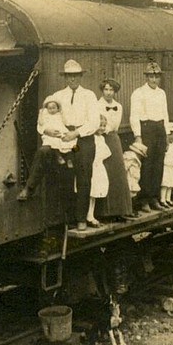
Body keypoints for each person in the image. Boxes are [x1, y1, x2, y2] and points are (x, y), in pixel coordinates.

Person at [49, 59, 101, 226]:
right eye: (69, 76)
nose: (73, 79)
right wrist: (52, 131)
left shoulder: (89, 95)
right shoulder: (58, 96)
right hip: (65, 140)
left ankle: (81, 219)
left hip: (83, 140)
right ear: (65, 77)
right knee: (66, 177)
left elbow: (94, 122)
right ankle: (68, 218)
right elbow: (47, 117)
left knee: (84, 177)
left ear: (80, 76)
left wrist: (76, 133)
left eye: (76, 75)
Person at [129, 61, 170, 212]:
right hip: (147, 129)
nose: (154, 79)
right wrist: (138, 136)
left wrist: (166, 134)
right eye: (151, 76)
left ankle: (154, 198)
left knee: (158, 165)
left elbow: (165, 114)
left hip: (160, 129)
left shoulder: (161, 93)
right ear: (146, 77)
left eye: (157, 76)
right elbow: (134, 116)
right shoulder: (138, 93)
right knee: (147, 165)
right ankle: (144, 200)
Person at [18, 97, 74, 201]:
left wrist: (72, 134)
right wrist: (46, 130)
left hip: (72, 137)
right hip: (53, 138)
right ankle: (29, 187)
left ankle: (69, 158)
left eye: (54, 108)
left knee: (76, 148)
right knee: (43, 151)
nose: (51, 109)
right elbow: (40, 126)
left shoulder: (87, 97)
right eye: (50, 108)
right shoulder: (54, 102)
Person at [95, 78, 136, 220]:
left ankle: (120, 210)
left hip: (113, 139)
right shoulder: (97, 105)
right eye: (106, 89)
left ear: (115, 91)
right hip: (101, 139)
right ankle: (105, 213)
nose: (108, 92)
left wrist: (111, 130)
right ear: (102, 90)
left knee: (118, 173)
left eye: (111, 90)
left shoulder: (118, 106)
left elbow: (115, 126)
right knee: (104, 173)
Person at [160, 123, 173, 208]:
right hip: (166, 167)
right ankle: (162, 200)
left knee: (170, 184)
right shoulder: (166, 145)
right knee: (165, 184)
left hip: (172, 167)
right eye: (170, 134)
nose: (172, 137)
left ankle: (168, 199)